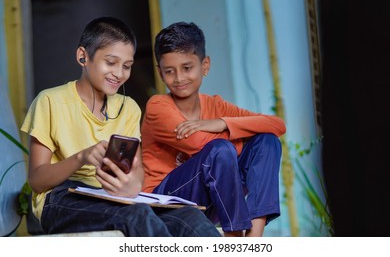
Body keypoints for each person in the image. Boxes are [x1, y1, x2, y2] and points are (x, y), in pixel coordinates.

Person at [20, 17, 220, 237]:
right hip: (61, 199)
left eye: (127, 66)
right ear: (83, 56)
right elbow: (37, 181)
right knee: (136, 216)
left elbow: (136, 174)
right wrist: (81, 157)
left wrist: (130, 186)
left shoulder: (128, 108)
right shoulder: (50, 101)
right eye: (111, 62)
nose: (119, 73)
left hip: (110, 196)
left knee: (191, 218)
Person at [141, 22, 286, 237]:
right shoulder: (157, 106)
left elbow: (277, 125)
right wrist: (242, 134)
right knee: (219, 150)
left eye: (187, 68)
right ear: (160, 73)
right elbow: (198, 143)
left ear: (205, 65)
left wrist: (222, 122)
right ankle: (234, 236)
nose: (179, 78)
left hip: (212, 200)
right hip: (166, 201)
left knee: (267, 142)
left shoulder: (216, 106)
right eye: (169, 71)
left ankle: (254, 238)